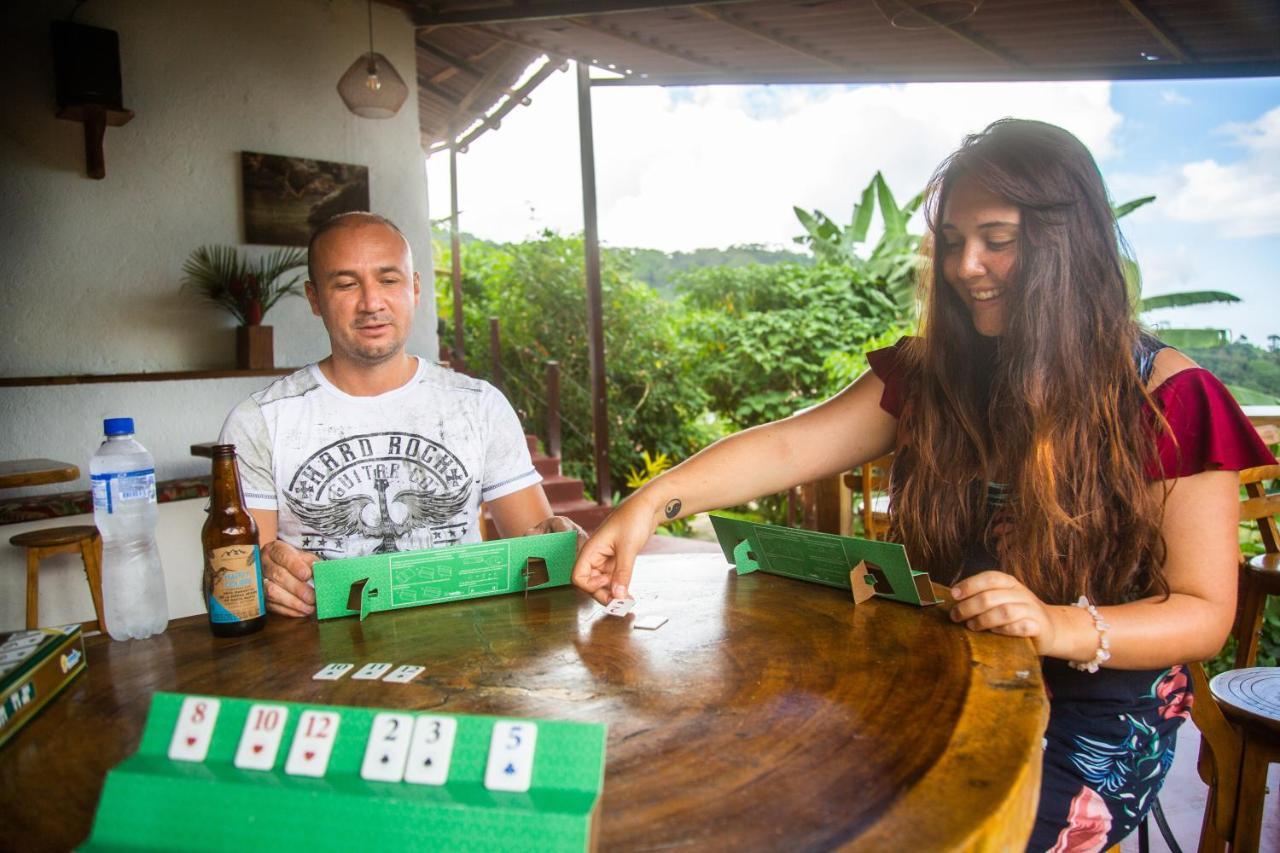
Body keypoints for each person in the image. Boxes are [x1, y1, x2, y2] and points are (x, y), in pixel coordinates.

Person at [572, 119, 1276, 849]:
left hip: (1092, 715)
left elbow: (1203, 611)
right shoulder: (933, 372)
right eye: (949, 241)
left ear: (1069, 241)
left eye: (997, 239)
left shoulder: (1165, 396)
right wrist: (651, 500)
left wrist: (1057, 623)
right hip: (948, 675)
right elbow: (787, 444)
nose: (966, 264)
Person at [221, 212, 580, 618]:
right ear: (315, 298)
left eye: (389, 280)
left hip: (464, 645)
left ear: (414, 288)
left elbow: (539, 557)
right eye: (345, 284)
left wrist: (561, 543)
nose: (371, 303)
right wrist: (262, 579)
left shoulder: (479, 405)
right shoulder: (258, 422)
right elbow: (234, 587)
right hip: (318, 657)